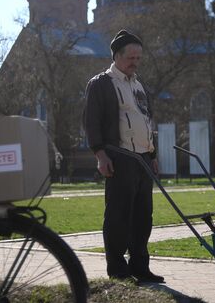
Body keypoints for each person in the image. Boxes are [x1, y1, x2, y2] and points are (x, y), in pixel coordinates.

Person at [83, 29, 164, 284]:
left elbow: (148, 120)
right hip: (119, 157)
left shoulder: (139, 85)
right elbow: (91, 121)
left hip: (143, 159)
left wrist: (153, 154)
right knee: (118, 216)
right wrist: (100, 153)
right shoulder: (101, 83)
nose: (136, 62)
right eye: (131, 57)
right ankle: (117, 269)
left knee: (143, 216)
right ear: (117, 56)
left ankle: (140, 267)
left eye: (139, 58)